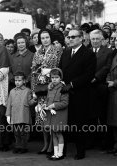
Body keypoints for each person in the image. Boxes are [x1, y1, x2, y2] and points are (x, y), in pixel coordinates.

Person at [59, 29, 96, 160]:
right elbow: (61, 70)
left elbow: (89, 74)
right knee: (65, 121)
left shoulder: (88, 53)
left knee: (79, 123)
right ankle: (62, 151)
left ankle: (81, 151)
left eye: (73, 37)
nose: (70, 39)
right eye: (68, 37)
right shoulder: (66, 52)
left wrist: (72, 84)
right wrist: (61, 82)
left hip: (80, 94)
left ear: (81, 38)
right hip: (65, 93)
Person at [31, 28, 63, 155]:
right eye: (42, 38)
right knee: (42, 117)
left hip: (52, 88)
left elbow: (60, 68)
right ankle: (45, 143)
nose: (44, 40)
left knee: (51, 117)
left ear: (51, 38)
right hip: (40, 89)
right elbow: (33, 71)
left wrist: (49, 72)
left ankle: (52, 144)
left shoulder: (57, 50)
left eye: (47, 37)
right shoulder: (37, 52)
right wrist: (33, 90)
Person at [6, 71, 37, 153]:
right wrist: (8, 115)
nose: (17, 82)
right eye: (16, 81)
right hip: (15, 116)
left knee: (24, 133)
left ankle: (24, 147)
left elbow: (30, 102)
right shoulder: (12, 91)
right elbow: (9, 104)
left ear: (24, 81)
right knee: (16, 133)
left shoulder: (28, 91)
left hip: (24, 115)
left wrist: (34, 99)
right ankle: (18, 146)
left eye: (19, 80)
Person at [42, 68, 69, 160]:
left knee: (58, 134)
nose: (54, 79)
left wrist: (53, 105)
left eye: (56, 77)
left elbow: (65, 103)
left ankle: (60, 153)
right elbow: (47, 99)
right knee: (53, 134)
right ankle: (55, 153)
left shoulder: (63, 88)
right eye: (52, 77)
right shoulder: (50, 88)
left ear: (60, 78)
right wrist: (45, 104)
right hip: (51, 115)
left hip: (59, 115)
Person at [106, 38, 117, 156]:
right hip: (113, 91)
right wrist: (108, 80)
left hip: (115, 87)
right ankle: (115, 145)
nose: (116, 42)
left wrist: (114, 83)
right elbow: (109, 69)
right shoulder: (114, 53)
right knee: (114, 121)